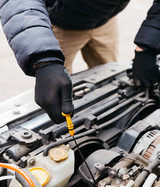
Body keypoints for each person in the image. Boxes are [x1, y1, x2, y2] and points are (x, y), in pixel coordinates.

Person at [0, 0, 160, 124]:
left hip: (106, 20)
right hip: (61, 22)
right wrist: (43, 59)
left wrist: (148, 46)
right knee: (57, 93)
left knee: (109, 72)